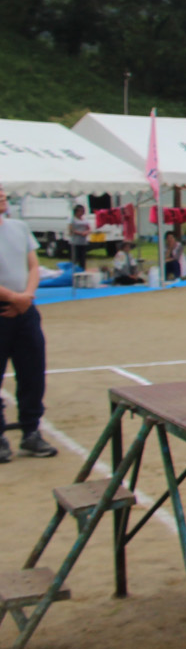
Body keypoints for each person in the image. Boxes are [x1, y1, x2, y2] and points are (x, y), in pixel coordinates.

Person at [0, 183, 57, 461]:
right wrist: (13, 296)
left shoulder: (18, 228)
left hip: (25, 309)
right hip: (6, 307)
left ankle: (31, 431)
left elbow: (33, 265)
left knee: (32, 372)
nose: (1, 194)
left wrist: (26, 297)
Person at [68, 204, 92, 269]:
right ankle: (73, 270)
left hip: (83, 241)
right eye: (80, 211)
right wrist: (80, 233)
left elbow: (89, 228)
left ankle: (82, 269)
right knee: (75, 257)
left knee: (82, 258)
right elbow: (71, 229)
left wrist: (86, 232)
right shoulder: (72, 219)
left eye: (82, 211)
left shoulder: (85, 219)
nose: (81, 213)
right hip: (75, 241)